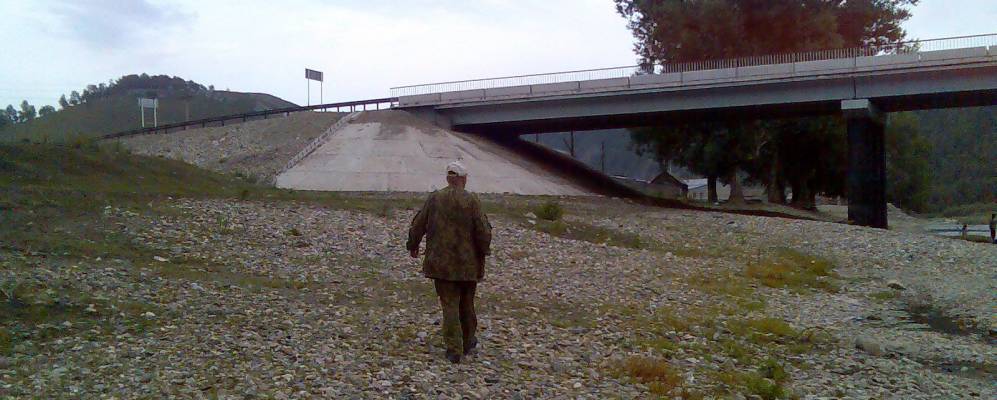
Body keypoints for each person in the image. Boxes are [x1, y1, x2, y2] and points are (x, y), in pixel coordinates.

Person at [407, 160, 492, 363]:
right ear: (463, 178)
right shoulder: (472, 201)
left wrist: (412, 245)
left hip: (441, 264)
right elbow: (483, 230)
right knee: (467, 303)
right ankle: (468, 341)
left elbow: (418, 224)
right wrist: (484, 251)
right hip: (468, 264)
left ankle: (454, 349)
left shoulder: (435, 198)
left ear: (448, 178)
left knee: (450, 305)